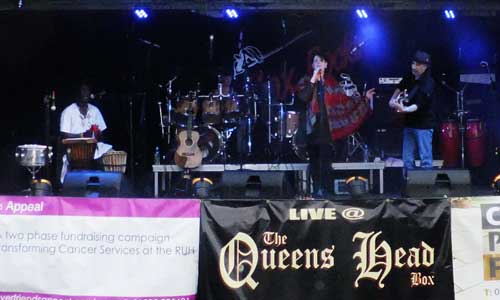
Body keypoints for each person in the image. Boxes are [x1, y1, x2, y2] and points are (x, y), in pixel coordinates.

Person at [297, 51, 375, 196]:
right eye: (315, 61)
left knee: (326, 161)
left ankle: (325, 190)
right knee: (314, 161)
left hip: (328, 127)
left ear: (326, 64)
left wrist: (365, 98)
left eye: (320, 61)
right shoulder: (306, 80)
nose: (318, 63)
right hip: (312, 127)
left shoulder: (332, 83)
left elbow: (346, 102)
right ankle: (316, 190)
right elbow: (303, 97)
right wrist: (314, 79)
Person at [389, 50, 436, 171]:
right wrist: (392, 99)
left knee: (425, 159)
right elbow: (399, 87)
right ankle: (408, 185)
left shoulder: (428, 83)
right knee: (407, 159)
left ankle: (427, 186)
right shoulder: (409, 76)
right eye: (413, 63)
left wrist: (404, 109)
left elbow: (418, 105)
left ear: (425, 67)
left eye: (418, 65)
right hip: (409, 124)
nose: (414, 67)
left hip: (424, 125)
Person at [59, 83, 112, 182]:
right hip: (75, 150)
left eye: (87, 90)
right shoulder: (68, 111)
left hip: (94, 149)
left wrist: (97, 132)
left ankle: (108, 185)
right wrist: (83, 135)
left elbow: (102, 133)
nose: (85, 93)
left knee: (110, 153)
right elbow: (64, 134)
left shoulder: (95, 110)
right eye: (83, 90)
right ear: (77, 93)